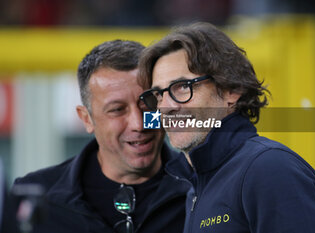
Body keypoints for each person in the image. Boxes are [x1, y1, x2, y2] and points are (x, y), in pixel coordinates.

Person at [138, 22, 315, 233]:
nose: (166, 107)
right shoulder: (197, 185)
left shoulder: (270, 169)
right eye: (158, 94)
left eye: (183, 87)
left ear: (231, 90)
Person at [13, 39, 192, 233]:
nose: (139, 124)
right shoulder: (34, 197)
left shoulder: (205, 189)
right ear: (86, 119)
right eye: (117, 110)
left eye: (148, 104)